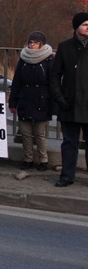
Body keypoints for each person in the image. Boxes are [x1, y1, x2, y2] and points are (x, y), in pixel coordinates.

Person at [49, 12, 88, 188]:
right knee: (69, 143)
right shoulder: (65, 47)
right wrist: (59, 97)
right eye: (85, 24)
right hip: (69, 103)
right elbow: (55, 75)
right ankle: (67, 176)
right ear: (76, 27)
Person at [8, 31, 54, 171]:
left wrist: (52, 104)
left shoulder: (49, 60)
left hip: (42, 100)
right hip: (24, 99)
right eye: (31, 42)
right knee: (26, 133)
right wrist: (13, 101)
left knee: (39, 133)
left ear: (41, 44)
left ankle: (43, 160)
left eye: (35, 42)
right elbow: (16, 82)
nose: (32, 45)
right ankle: (28, 158)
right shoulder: (23, 58)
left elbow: (53, 82)